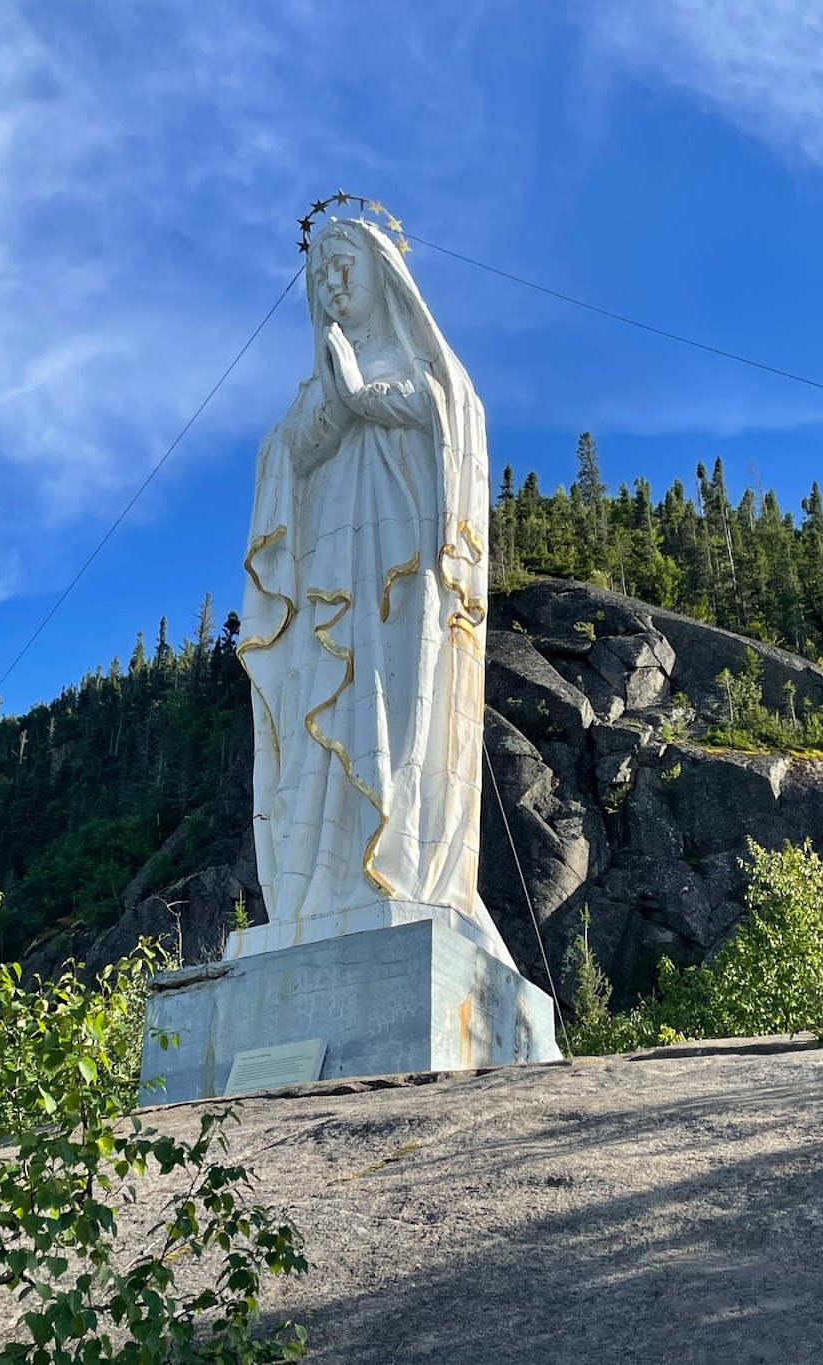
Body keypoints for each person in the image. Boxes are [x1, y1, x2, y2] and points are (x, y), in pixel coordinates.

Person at [240, 216, 513, 964]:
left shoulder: (427, 367)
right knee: (321, 716)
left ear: (384, 272)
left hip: (401, 567)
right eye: (322, 273)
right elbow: (287, 450)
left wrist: (369, 395)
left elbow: (457, 414)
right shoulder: (319, 376)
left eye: (345, 264)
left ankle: (397, 863)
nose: (334, 282)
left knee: (396, 709)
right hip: (330, 579)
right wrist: (332, 408)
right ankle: (326, 884)